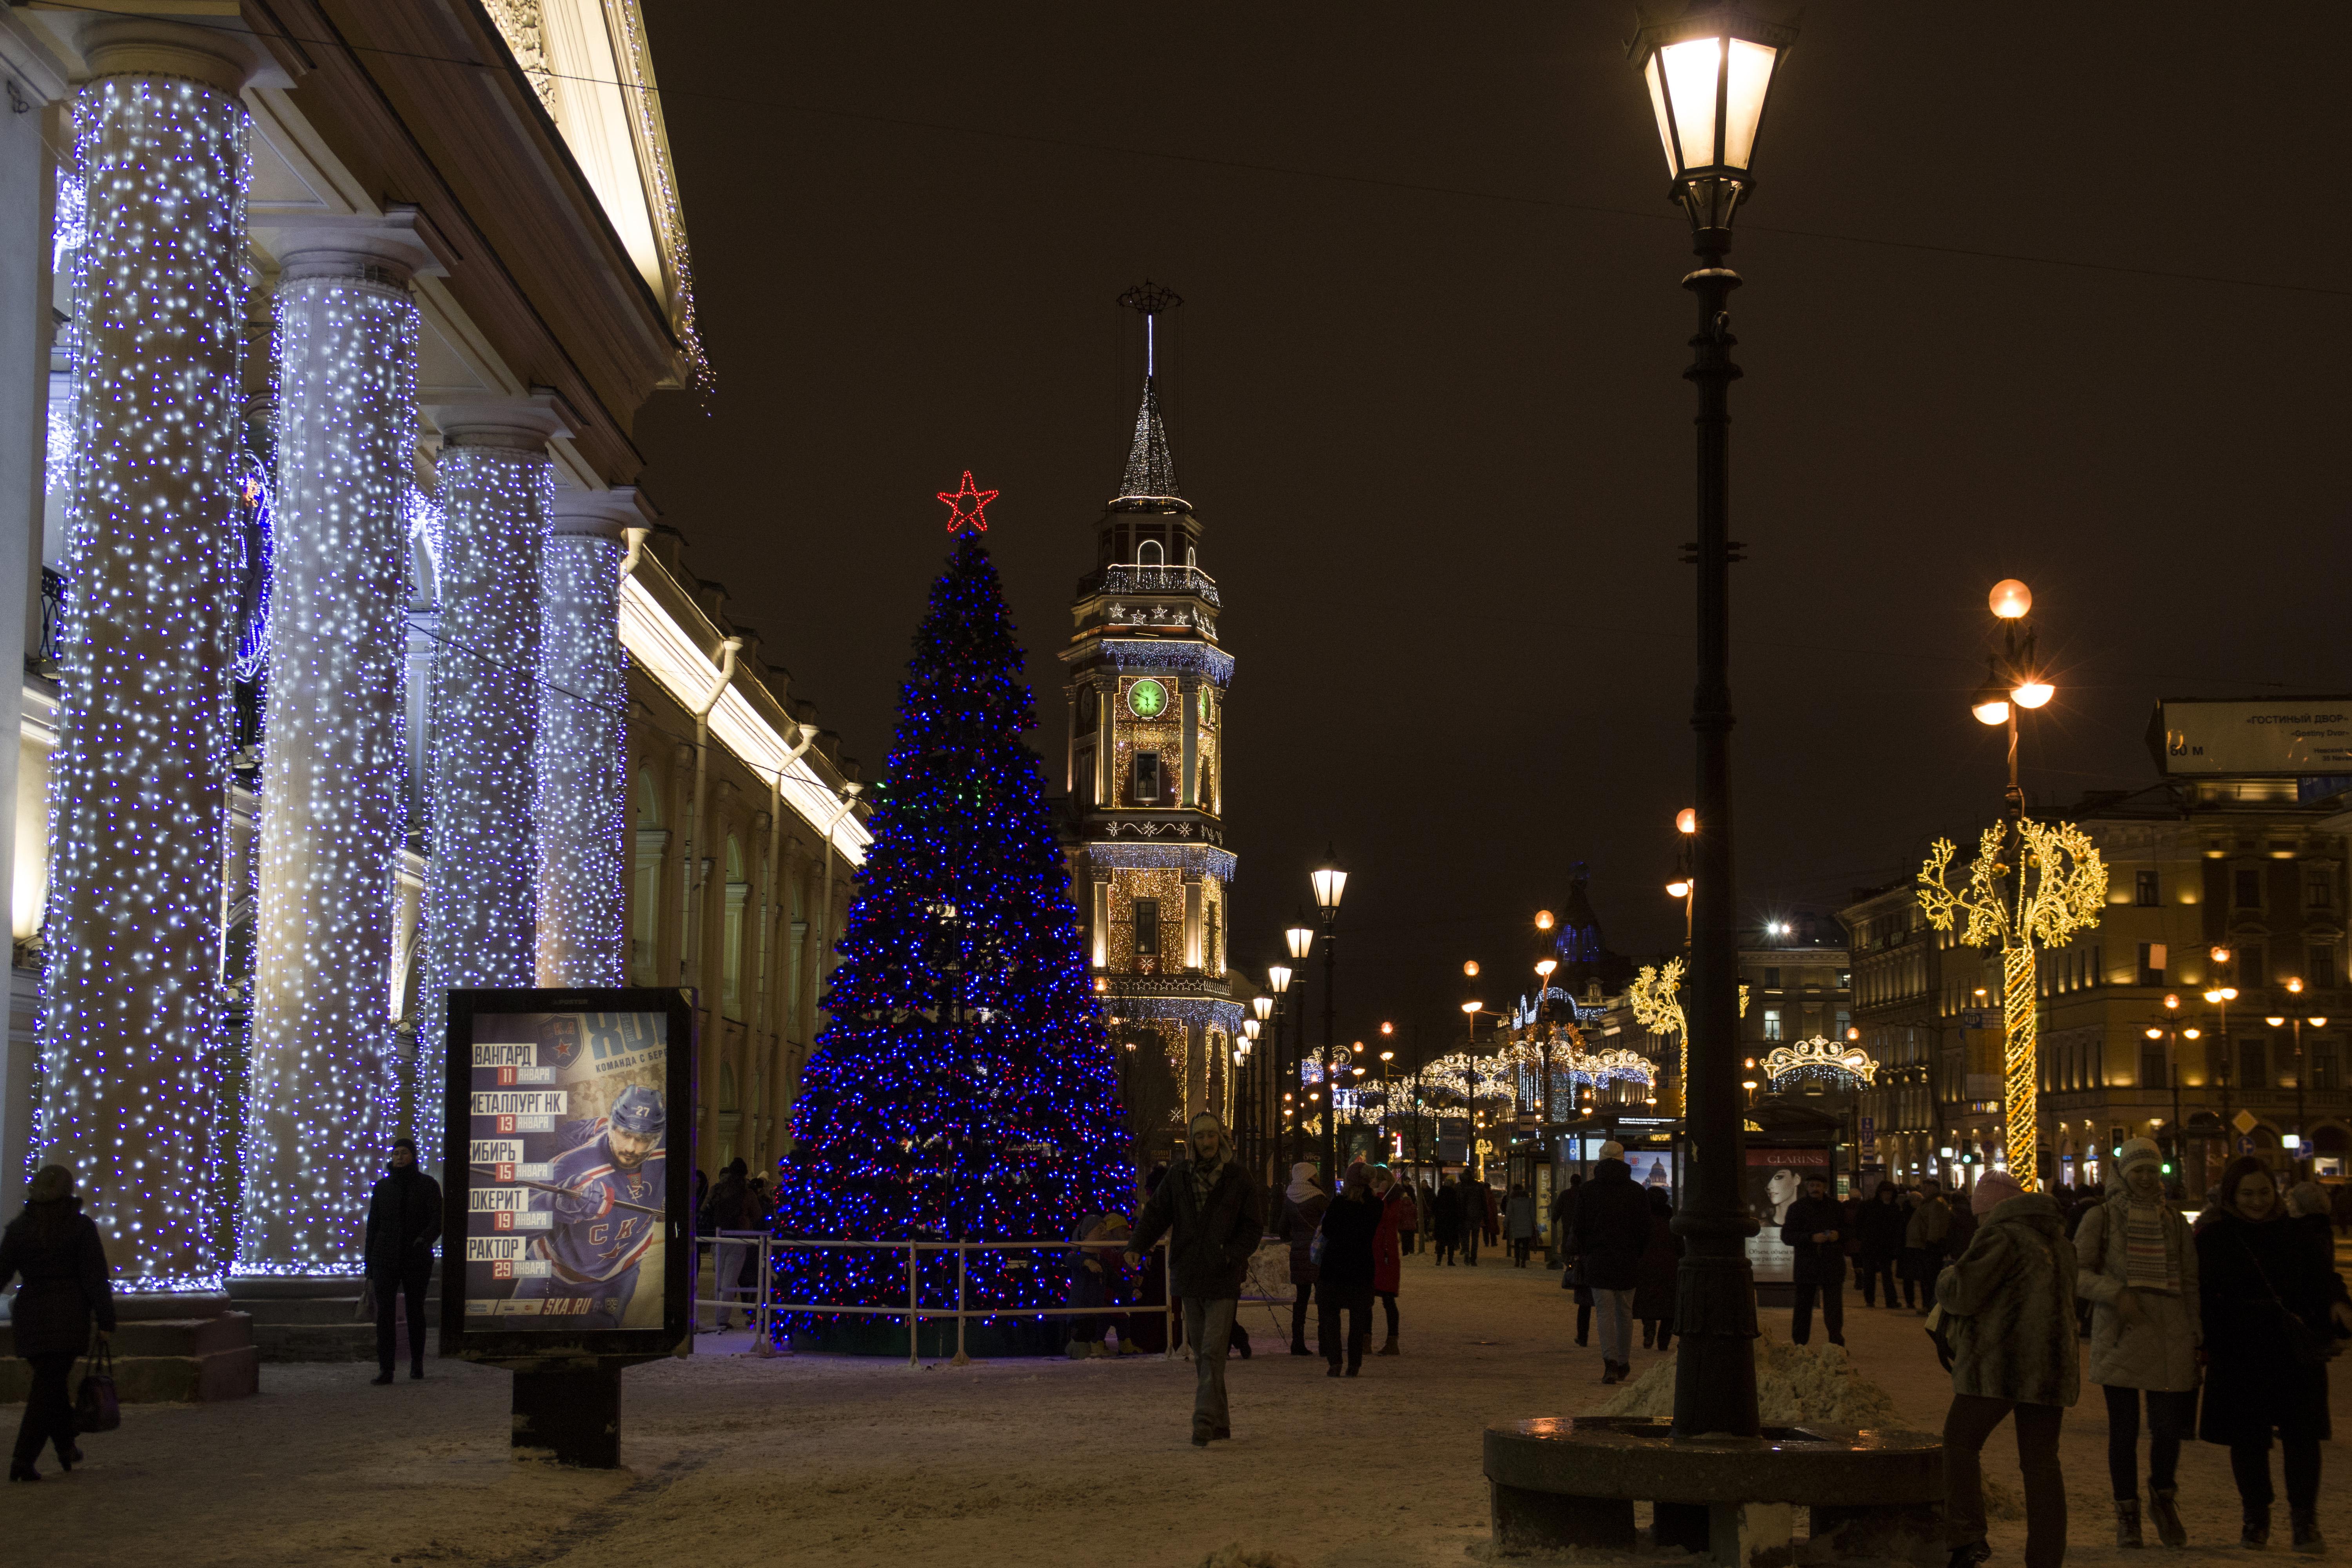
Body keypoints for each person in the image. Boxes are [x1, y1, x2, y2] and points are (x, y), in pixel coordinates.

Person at [2196, 1155, 2352, 1552]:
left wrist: (2337, 1302)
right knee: (2248, 1440)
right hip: (2239, 1348)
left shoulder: (2297, 1232)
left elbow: (2325, 1278)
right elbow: (2199, 1292)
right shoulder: (2215, 1235)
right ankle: (2256, 1518)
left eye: (2263, 1192)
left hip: (2290, 1349)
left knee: (2303, 1436)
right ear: (2231, 1194)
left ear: (2275, 1190)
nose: (2257, 1201)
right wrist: (2203, 1339)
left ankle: (2305, 1520)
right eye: (2247, 1193)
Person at [1936, 1169, 2078, 1568]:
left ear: (1988, 1210)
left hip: (1999, 1365)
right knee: (2042, 1463)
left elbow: (1961, 1293)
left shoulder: (2001, 1236)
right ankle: (2046, 1559)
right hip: (2051, 1367)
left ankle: (1968, 1537)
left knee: (1960, 1441)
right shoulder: (2060, 1241)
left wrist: (1946, 1274)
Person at [2074, 1136, 2199, 1548]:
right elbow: (2077, 1272)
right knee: (2123, 1431)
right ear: (2123, 1174)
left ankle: (2163, 1498)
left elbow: (2192, 1282)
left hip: (2170, 1334)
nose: (2146, 1178)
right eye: (2137, 1170)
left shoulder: (2174, 1221)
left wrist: (2198, 1334)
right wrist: (2117, 1293)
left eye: (2152, 1169)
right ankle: (2126, 1511)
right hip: (2122, 1332)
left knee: (2167, 1429)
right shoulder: (2103, 1217)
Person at [1126, 1112, 1261, 1446]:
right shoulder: (1178, 1177)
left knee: (1213, 1350)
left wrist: (1232, 1253)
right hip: (1188, 1272)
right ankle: (1221, 1422)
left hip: (1223, 1274)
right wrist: (1137, 1246)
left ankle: (1202, 1421)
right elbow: (1157, 1214)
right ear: (1192, 1141)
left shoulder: (1238, 1178)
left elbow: (1253, 1225)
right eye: (1200, 1137)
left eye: (1212, 1136)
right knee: (1204, 1355)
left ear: (1221, 1138)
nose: (1206, 1143)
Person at [515, 1084, 666, 1329]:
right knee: (517, 1339)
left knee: (598, 1349)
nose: (631, 1148)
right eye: (625, 1134)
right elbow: (516, 1225)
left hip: (616, 1277)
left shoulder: (669, 1151)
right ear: (611, 1126)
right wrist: (559, 1203)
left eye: (643, 1140)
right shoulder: (571, 1165)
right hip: (549, 1270)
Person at [2, 1165, 115, 1482]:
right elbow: (95, 1277)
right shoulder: (79, 1228)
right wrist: (105, 1318)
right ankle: (23, 1460)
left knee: (49, 1384)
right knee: (48, 1387)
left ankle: (66, 1448)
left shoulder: (19, 1229)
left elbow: (2, 1271)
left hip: (31, 1314)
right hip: (68, 1314)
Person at [1570, 1141, 1651, 1385]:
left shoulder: (1588, 1191)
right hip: (1627, 1259)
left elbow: (1579, 1228)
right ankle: (1625, 1361)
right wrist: (1637, 1253)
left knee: (1604, 1313)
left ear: (1601, 1160)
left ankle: (1610, 1362)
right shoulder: (1637, 1191)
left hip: (1599, 1259)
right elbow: (1646, 1230)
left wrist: (1585, 1253)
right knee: (1625, 1312)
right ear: (1624, 1159)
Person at [364, 1136, 442, 1384]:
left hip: (416, 1256)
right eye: (396, 1153)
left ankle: (417, 1364)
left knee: (415, 1310)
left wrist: (424, 1240)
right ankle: (386, 1369)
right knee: (385, 1313)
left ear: (413, 1156)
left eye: (404, 1153)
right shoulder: (382, 1187)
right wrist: (369, 1266)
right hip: (385, 1256)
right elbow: (373, 1227)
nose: (399, 1157)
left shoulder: (427, 1185)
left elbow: (437, 1220)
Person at [1316, 1169, 1380, 1377]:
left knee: (1330, 1316)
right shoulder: (1375, 1206)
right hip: (1361, 1266)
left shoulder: (1338, 1204)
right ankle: (1355, 1364)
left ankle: (1335, 1361)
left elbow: (1326, 1231)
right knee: (1358, 1318)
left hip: (1334, 1265)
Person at [1782, 1174, 1847, 1347]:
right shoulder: (1797, 1208)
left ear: (1825, 1188)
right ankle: (1800, 1344)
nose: (1815, 1189)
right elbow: (1787, 1236)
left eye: (1818, 1186)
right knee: (1803, 1307)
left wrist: (1838, 1235)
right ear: (1807, 1188)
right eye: (1811, 1186)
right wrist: (1811, 1238)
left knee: (1833, 1308)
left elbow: (1850, 1231)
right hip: (1807, 1265)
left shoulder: (1836, 1208)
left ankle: (1836, 1343)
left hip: (1831, 1264)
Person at [1278, 1161, 1329, 1358]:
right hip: (1318, 1252)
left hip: (1299, 1253)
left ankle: (1297, 1342)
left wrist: (1296, 1238)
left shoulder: (1290, 1197)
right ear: (1309, 1176)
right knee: (1323, 1299)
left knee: (1301, 1300)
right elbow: (1330, 1223)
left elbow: (1282, 1228)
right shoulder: (1318, 1198)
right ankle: (1324, 1343)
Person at [1370, 1164, 1414, 1355]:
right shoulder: (1377, 1197)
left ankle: (1392, 1341)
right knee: (1367, 1299)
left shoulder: (1393, 1200)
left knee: (1388, 1299)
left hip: (1385, 1253)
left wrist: (1380, 1196)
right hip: (1373, 1251)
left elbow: (1382, 1217)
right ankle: (1365, 1338)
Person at [703, 1157, 751, 1330]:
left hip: (718, 1237)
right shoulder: (746, 1191)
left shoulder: (718, 1189)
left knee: (720, 1279)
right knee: (729, 1281)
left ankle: (719, 1317)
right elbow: (757, 1213)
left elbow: (705, 1209)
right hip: (738, 1238)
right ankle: (722, 1319)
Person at [1632, 1185, 1680, 1352]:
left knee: (1647, 1301)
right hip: (1670, 1266)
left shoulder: (1642, 1220)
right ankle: (1663, 1342)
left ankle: (1649, 1327)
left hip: (1647, 1265)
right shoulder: (1672, 1220)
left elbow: (1636, 1244)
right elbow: (1680, 1247)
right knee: (1669, 1306)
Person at [1902, 1176, 1952, 1314]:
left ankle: (1930, 1306)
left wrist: (1931, 1242)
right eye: (1923, 1187)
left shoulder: (1935, 1203)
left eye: (1927, 1187)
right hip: (1923, 1245)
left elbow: (1935, 1225)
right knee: (1926, 1278)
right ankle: (1928, 1305)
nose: (1924, 1189)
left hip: (1928, 1246)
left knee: (1930, 1278)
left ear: (1934, 1188)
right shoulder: (1929, 1202)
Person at [1855, 1180, 1906, 1308]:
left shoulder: (1894, 1208)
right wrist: (1863, 1237)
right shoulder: (1870, 1206)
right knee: (1870, 1274)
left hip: (1885, 1246)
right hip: (1871, 1245)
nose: (1887, 1195)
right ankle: (1870, 1300)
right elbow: (1859, 1223)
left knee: (1887, 1274)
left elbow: (1897, 1228)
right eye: (1885, 1193)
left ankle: (1891, 1300)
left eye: (1890, 1193)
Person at [1432, 1172, 1464, 1266]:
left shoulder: (1440, 1194)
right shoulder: (1454, 1195)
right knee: (1451, 1242)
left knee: (1441, 1242)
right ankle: (1450, 1260)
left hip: (1441, 1222)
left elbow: (1434, 1207)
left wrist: (1437, 1216)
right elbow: (1457, 1209)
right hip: (1451, 1222)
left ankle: (1439, 1260)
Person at [1504, 1182, 1537, 1267]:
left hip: (1516, 1224)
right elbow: (1532, 1213)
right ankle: (1524, 1261)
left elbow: (1509, 1213)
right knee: (1526, 1245)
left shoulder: (1512, 1201)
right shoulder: (1528, 1201)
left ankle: (1517, 1261)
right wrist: (1534, 1223)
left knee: (1517, 1244)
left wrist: (1506, 1223)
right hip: (1527, 1224)